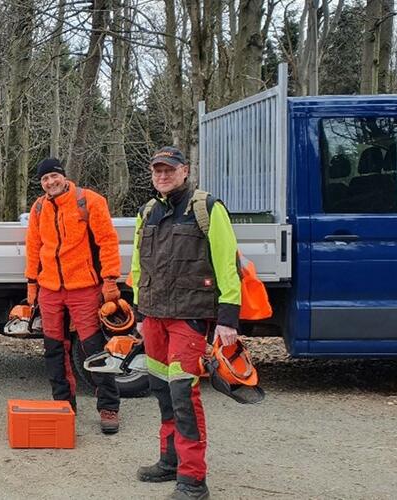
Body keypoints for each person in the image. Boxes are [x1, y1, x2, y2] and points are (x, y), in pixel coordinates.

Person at [130, 146, 241, 500]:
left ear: (184, 170)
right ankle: (170, 461)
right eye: (157, 171)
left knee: (183, 394)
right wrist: (138, 310)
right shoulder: (147, 212)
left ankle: (193, 480)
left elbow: (228, 264)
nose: (163, 176)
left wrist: (227, 318)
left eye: (169, 170)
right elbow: (137, 264)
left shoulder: (207, 208)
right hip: (154, 316)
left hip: (189, 317)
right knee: (161, 389)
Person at [24, 157, 123, 434]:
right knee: (54, 350)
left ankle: (109, 407)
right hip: (50, 289)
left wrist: (110, 280)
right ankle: (63, 405)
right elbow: (34, 246)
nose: (50, 182)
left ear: (64, 176)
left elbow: (107, 241)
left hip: (84, 288)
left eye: (54, 176)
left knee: (93, 348)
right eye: (44, 179)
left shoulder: (89, 201)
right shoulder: (39, 207)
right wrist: (32, 284)